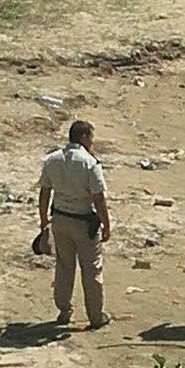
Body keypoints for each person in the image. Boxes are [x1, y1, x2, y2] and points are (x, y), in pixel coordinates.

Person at [38, 121, 111, 330]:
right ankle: (95, 316)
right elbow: (98, 198)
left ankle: (64, 310)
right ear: (85, 137)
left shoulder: (52, 160)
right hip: (83, 221)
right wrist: (106, 224)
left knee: (64, 266)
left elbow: (44, 193)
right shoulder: (89, 163)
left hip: (60, 219)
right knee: (92, 269)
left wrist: (44, 221)